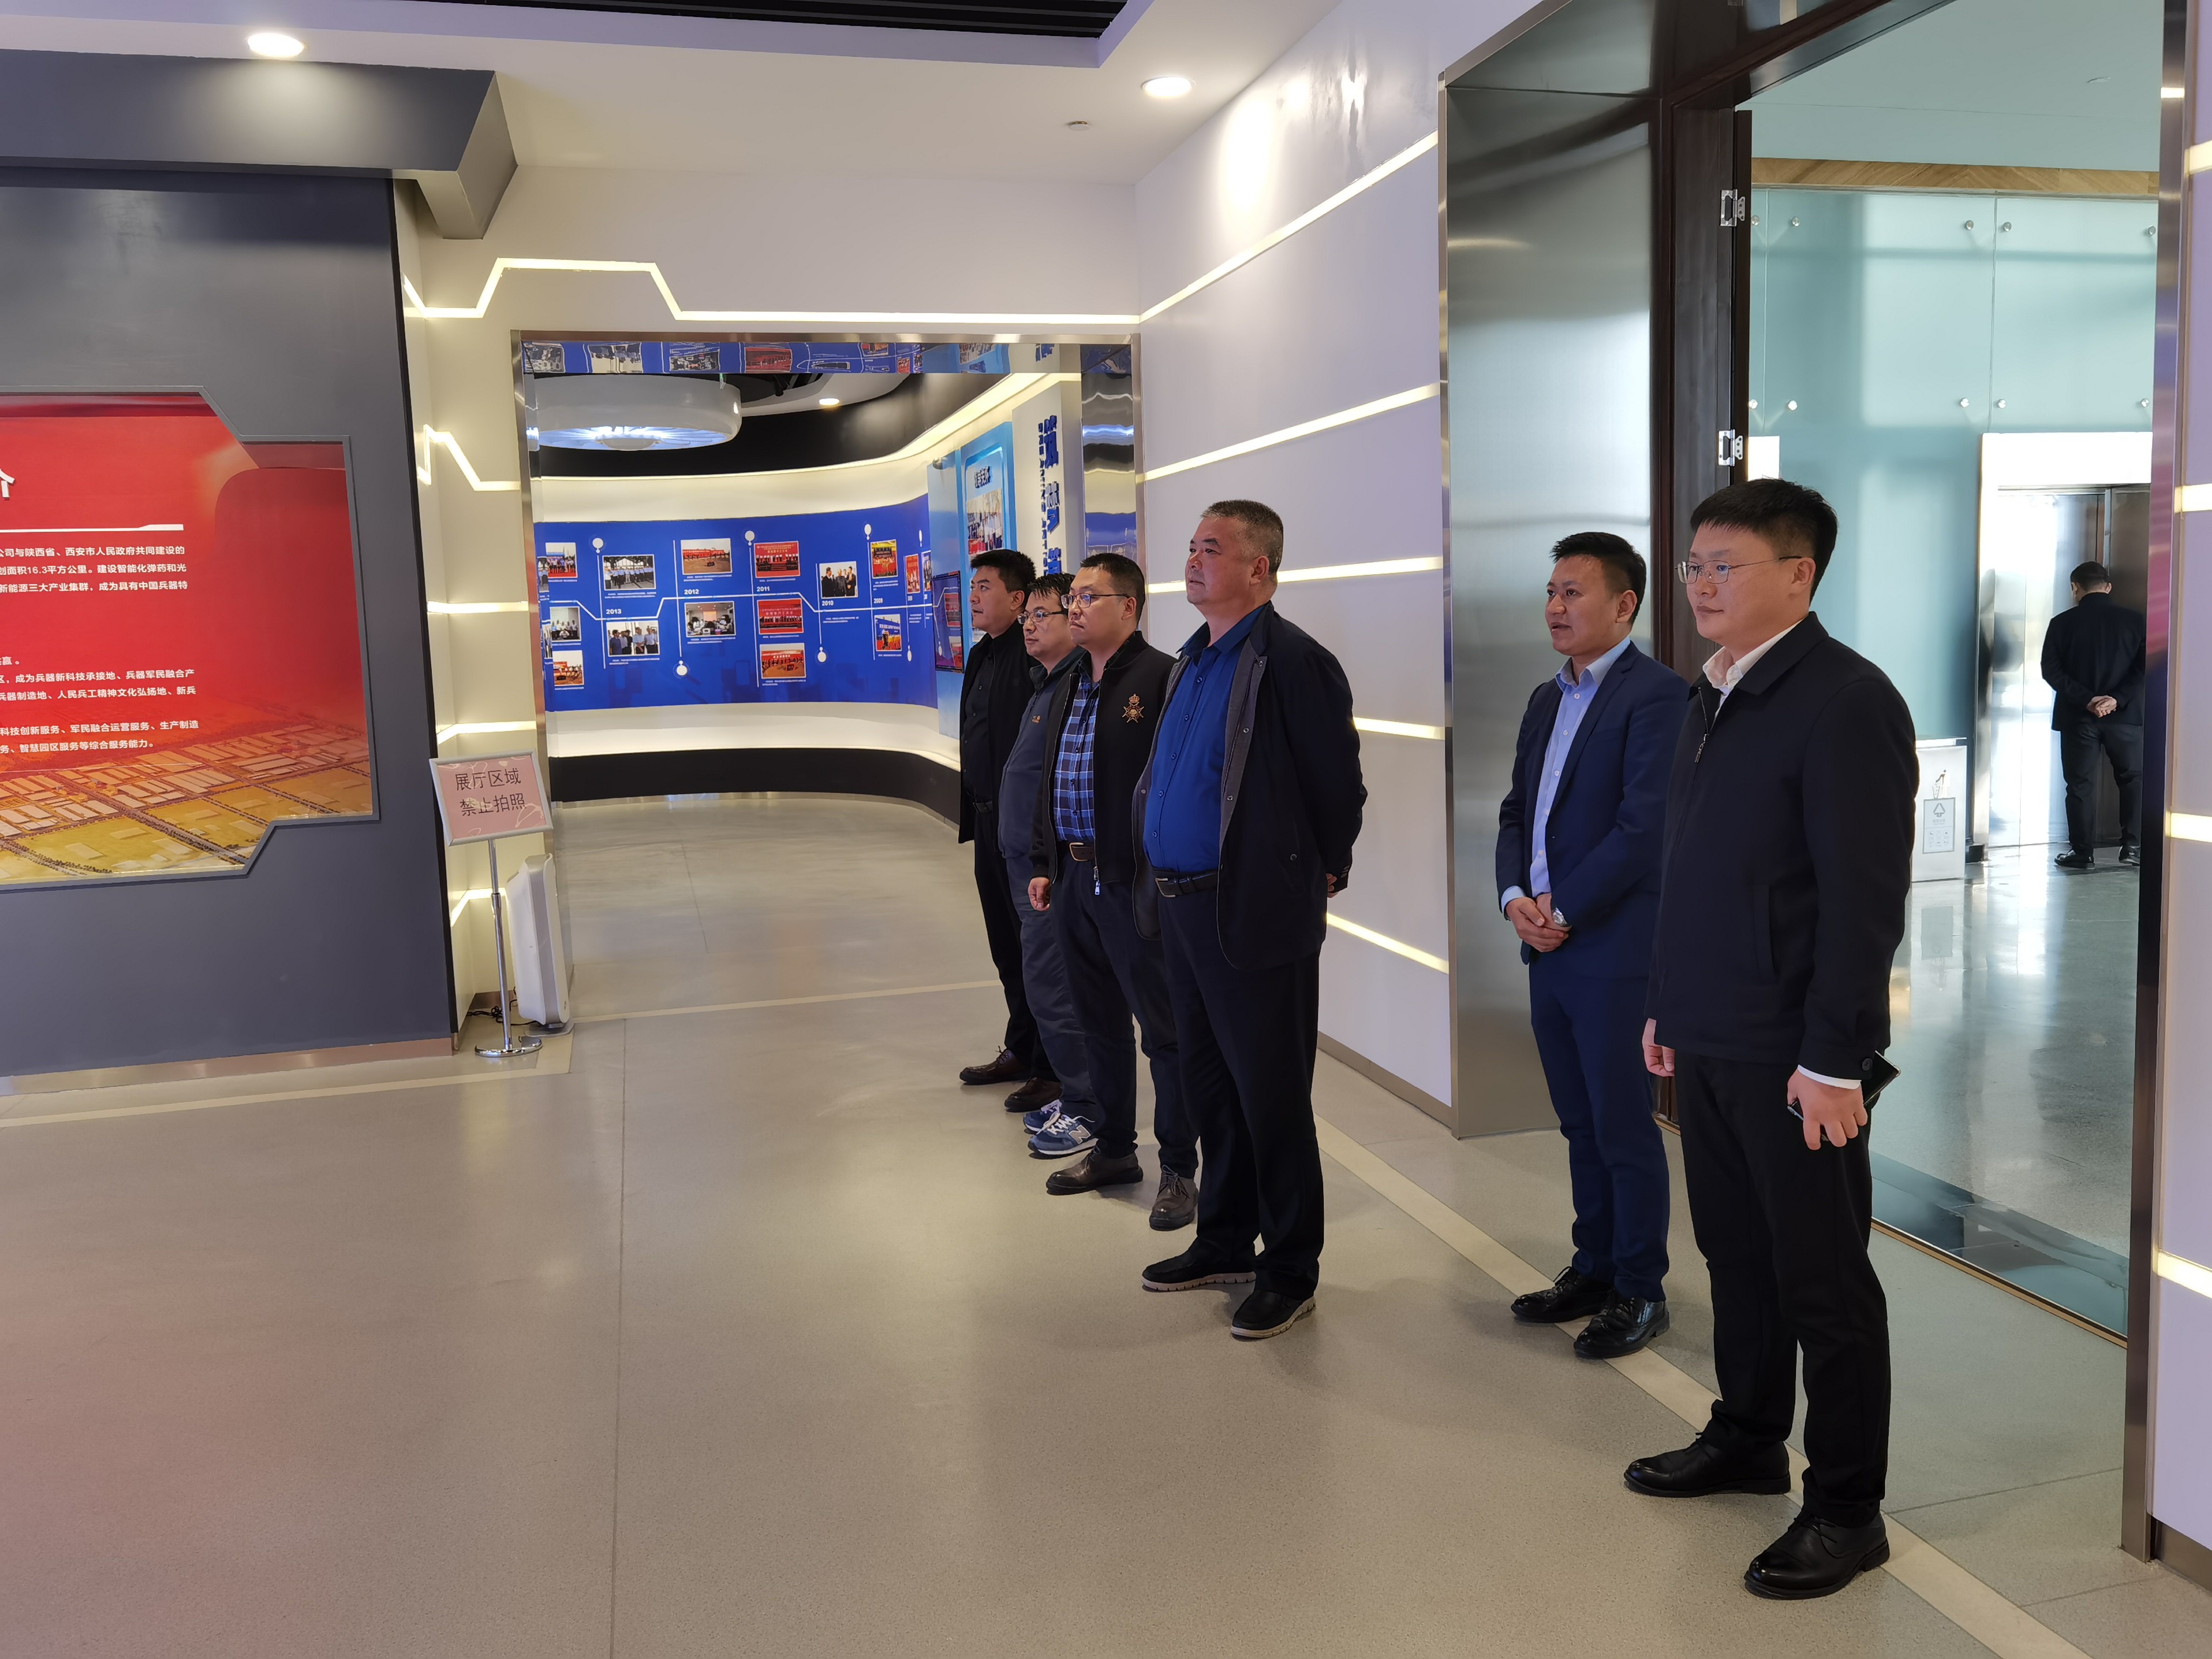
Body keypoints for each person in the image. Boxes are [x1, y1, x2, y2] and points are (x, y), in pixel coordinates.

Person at [1629, 478, 1916, 1601]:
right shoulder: (1712, 693)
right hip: (1710, 1033)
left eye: (1723, 566)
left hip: (1796, 1054)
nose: (1699, 584)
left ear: (1797, 576)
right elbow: (1692, 870)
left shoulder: (1844, 700)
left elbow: (1861, 902)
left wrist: (1834, 1058)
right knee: (1735, 1256)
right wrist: (1668, 1003)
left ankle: (1845, 1506)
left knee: (1822, 1282)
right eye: (1693, 565)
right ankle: (1747, 1433)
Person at [1132, 501, 1364, 1340]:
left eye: (1213, 549)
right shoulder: (1192, 660)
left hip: (1250, 909)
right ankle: (1225, 1240)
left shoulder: (1292, 661)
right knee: (1212, 1087)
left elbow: (1338, 786)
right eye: (1192, 547)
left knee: (1271, 1095)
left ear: (1260, 568)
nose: (1193, 561)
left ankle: (1290, 1268)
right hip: (1182, 907)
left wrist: (1314, 871)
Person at [1495, 532, 1685, 1359]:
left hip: (1612, 948)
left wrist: (1563, 908)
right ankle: (1595, 1265)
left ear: (1624, 604)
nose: (1555, 607)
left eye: (1573, 593)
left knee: (1622, 1125)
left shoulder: (1659, 696)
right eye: (1550, 592)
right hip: (1548, 945)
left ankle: (1642, 1286)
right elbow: (1516, 812)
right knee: (1578, 1122)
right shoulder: (1548, 698)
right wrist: (1514, 899)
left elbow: (1644, 830)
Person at [1026, 553, 1199, 1229]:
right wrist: (1045, 861)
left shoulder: (1161, 678)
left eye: (1088, 597)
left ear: (1128, 607)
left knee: (1163, 1033)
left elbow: (1177, 785)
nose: (1073, 607)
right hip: (1074, 878)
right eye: (1071, 596)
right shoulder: (1071, 681)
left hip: (1132, 885)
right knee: (1097, 1023)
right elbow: (1053, 777)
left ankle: (1178, 1168)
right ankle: (1115, 1150)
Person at [994, 572, 1101, 1143]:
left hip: (1051, 869)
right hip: (1025, 863)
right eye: (1027, 617)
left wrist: (1046, 862)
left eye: (1042, 615)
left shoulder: (1078, 686)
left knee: (1055, 988)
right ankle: (1077, 1094)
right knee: (1045, 987)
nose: (1029, 626)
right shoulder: (1046, 684)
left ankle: (1087, 1105)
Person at [954, 550, 1058, 1117]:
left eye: (985, 587)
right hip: (987, 820)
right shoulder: (981, 654)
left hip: (1022, 828)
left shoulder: (1031, 659)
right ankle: (1021, 1047)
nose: (973, 596)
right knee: (1005, 946)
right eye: (973, 586)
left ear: (1018, 600)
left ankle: (1051, 1065)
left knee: (1035, 948)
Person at [2041, 559, 2146, 869]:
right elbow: (2144, 669)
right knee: (2132, 780)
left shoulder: (2061, 623)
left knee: (2080, 784)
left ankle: (2082, 853)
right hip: (2124, 718)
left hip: (2078, 718)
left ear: (2075, 588)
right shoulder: (2136, 621)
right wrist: (2116, 699)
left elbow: (2051, 671)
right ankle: (2133, 847)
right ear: (2108, 587)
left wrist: (2088, 700)